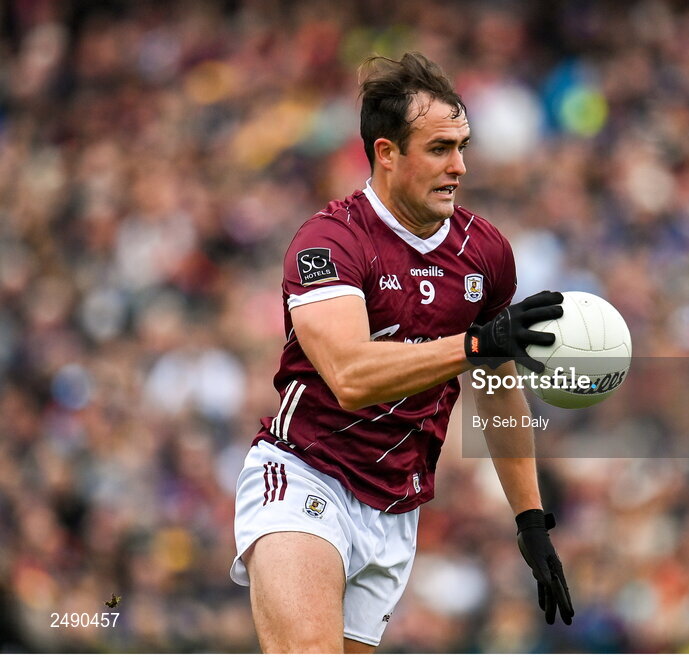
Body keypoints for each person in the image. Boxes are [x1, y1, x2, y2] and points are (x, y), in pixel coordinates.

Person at [229, 52, 574, 653]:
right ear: (387, 153)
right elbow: (350, 375)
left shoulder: (485, 252)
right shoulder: (330, 241)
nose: (460, 166)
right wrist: (473, 345)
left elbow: (497, 389)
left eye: (463, 146)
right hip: (307, 472)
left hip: (395, 507)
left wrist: (530, 520)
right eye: (440, 149)